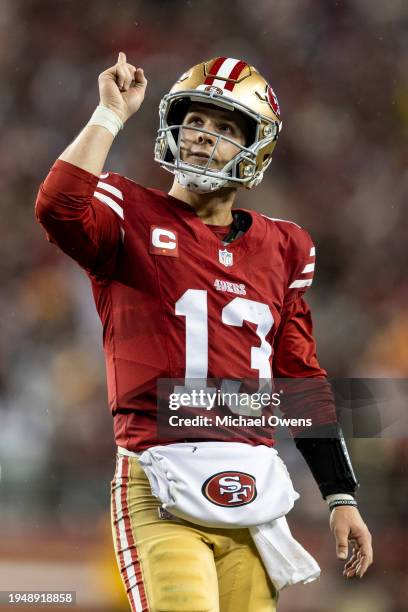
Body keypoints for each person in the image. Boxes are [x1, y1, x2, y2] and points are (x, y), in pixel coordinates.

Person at [35, 53, 373, 612]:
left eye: (222, 128)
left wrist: (340, 493)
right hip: (161, 482)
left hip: (253, 493)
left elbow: (300, 379)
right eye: (194, 121)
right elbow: (58, 207)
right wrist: (109, 115)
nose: (200, 138)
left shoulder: (285, 247)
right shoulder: (130, 211)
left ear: (255, 147)